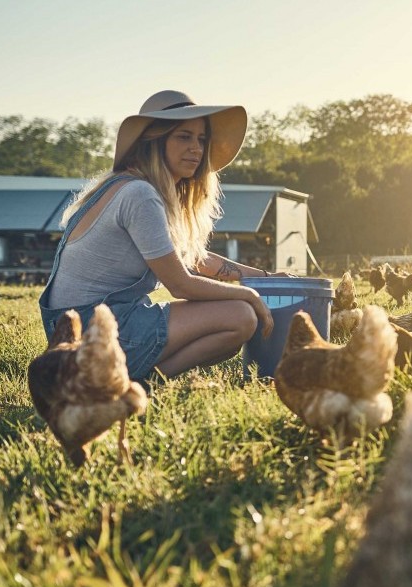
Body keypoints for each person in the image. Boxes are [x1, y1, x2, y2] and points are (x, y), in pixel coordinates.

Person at [39, 90, 281, 381]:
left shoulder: (128, 186)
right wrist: (250, 294)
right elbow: (181, 284)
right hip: (91, 331)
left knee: (238, 313)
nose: (196, 148)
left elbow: (192, 259)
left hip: (74, 330)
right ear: (155, 141)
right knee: (241, 316)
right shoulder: (139, 194)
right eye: (183, 137)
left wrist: (264, 276)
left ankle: (141, 379)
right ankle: (142, 384)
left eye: (201, 139)